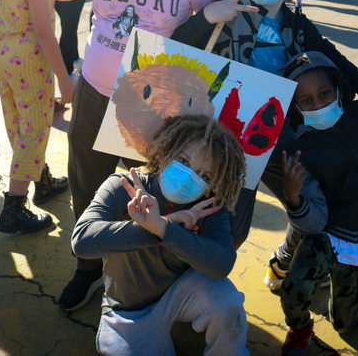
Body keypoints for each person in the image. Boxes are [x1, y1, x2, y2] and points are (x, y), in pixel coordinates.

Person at [10, 0, 243, 311]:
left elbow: (212, 31)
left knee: (150, 190)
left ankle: (146, 274)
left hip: (157, 111)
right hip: (95, 94)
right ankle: (88, 270)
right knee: (87, 180)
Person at [172, 0, 358, 252]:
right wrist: (207, 17)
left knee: (313, 207)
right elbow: (178, 46)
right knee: (230, 228)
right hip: (225, 131)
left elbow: (336, 61)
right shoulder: (229, 5)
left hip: (275, 131)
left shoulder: (296, 26)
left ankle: (288, 258)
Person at [71, 115, 248, 356]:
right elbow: (81, 242)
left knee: (227, 302)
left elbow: (222, 264)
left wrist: (165, 230)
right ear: (164, 153)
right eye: (183, 160)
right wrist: (154, 228)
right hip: (127, 310)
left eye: (204, 176)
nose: (188, 176)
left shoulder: (210, 208)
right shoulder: (124, 186)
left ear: (212, 186)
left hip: (180, 297)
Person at [276, 51, 358, 355]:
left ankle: (352, 284)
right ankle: (300, 329)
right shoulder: (302, 152)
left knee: (343, 324)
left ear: (340, 91)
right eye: (306, 101)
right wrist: (293, 198)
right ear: (296, 108)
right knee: (293, 289)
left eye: (324, 93)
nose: (317, 104)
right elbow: (314, 223)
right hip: (331, 236)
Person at [0, 0, 72, 234]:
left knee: (18, 121)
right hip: (29, 56)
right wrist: (65, 80)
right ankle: (13, 208)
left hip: (2, 49)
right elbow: (43, 30)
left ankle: (43, 180)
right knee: (33, 130)